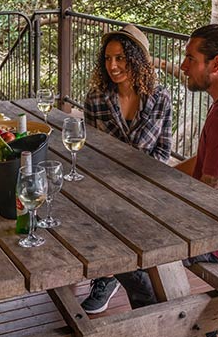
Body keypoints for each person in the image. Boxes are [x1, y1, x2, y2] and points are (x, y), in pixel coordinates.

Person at [110, 24, 218, 337]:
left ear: (217, 64)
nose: (183, 66)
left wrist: (156, 207)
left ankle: (172, 325)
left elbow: (213, 193)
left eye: (190, 58)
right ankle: (177, 321)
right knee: (125, 221)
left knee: (120, 243)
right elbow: (203, 163)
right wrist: (156, 178)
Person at [80, 24, 172, 314]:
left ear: (137, 60)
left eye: (120, 58)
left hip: (147, 186)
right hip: (106, 186)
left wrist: (139, 184)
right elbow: (92, 154)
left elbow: (163, 152)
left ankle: (113, 275)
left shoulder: (160, 98)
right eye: (107, 58)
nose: (113, 65)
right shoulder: (96, 98)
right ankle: (114, 278)